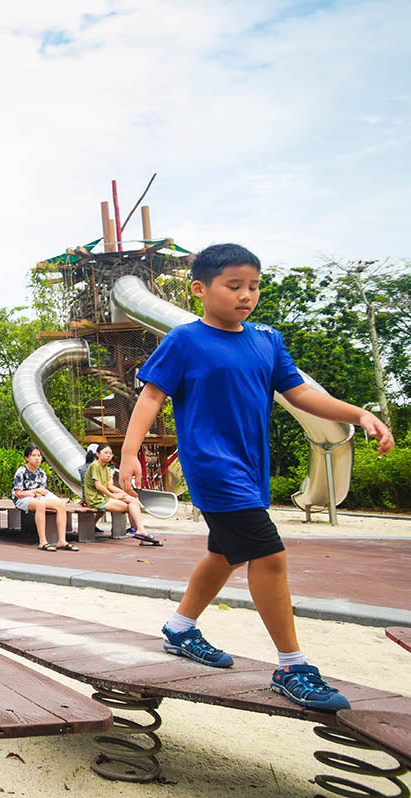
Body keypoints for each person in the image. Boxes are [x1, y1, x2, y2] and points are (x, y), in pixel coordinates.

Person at [119, 243, 394, 712]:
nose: (247, 295)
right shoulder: (184, 341)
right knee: (268, 554)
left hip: (251, 467)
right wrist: (129, 454)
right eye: (234, 286)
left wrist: (360, 414)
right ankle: (292, 665)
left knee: (224, 553)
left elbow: (301, 393)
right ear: (200, 290)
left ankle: (180, 629)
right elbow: (151, 397)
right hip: (213, 466)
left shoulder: (267, 340)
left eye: (254, 286)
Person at [83, 442, 162, 545]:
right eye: (106, 453)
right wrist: (113, 496)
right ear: (98, 454)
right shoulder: (95, 466)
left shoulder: (105, 467)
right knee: (130, 507)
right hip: (96, 499)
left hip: (104, 497)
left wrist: (126, 493)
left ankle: (141, 531)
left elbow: (110, 486)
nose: (108, 455)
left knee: (133, 501)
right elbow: (99, 486)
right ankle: (142, 536)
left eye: (110, 454)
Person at [13, 445, 77, 551]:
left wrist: (33, 493)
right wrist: (34, 492)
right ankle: (43, 542)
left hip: (36, 497)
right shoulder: (21, 471)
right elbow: (18, 493)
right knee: (40, 505)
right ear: (26, 458)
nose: (37, 458)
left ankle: (62, 541)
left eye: (39, 455)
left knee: (61, 505)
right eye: (33, 455)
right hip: (21, 500)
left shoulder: (41, 472)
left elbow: (43, 492)